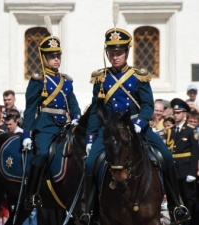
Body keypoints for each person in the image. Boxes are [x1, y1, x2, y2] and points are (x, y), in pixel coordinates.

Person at [80, 27, 190, 224]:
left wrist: (139, 122)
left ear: (126, 53)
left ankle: (176, 205)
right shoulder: (101, 78)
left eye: (119, 53)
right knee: (90, 164)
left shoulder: (139, 76)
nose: (115, 57)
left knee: (165, 155)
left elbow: (148, 104)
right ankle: (90, 211)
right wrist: (90, 138)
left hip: (137, 128)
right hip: (111, 131)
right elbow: (97, 110)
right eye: (112, 53)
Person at [22, 34, 80, 209]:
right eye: (51, 56)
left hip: (64, 126)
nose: (56, 59)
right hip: (45, 126)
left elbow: (73, 104)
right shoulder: (38, 81)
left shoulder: (66, 81)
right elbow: (31, 109)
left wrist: (76, 118)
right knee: (42, 154)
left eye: (58, 56)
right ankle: (31, 194)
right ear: (44, 58)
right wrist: (26, 134)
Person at [166, 98, 199, 224]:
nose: (175, 115)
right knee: (175, 199)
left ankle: (191, 221)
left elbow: (195, 152)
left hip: (186, 170)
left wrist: (192, 172)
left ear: (184, 114)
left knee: (189, 198)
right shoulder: (171, 131)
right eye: (174, 113)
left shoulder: (190, 130)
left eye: (178, 112)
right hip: (174, 170)